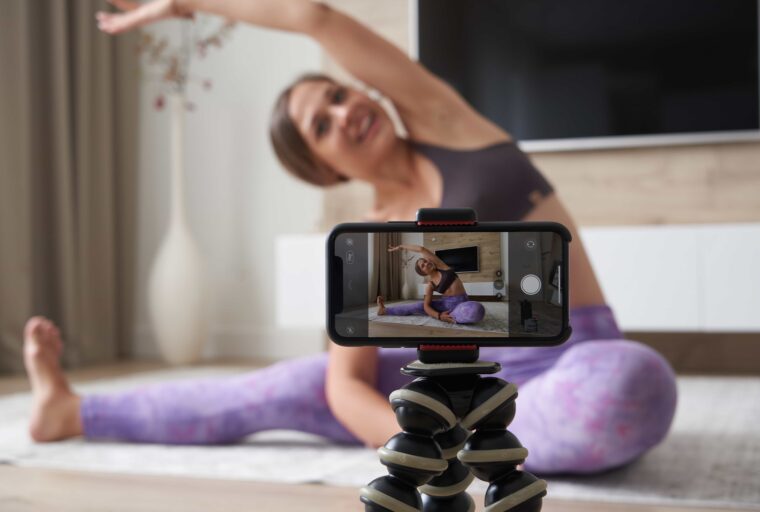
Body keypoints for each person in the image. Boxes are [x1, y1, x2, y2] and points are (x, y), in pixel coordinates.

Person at [22, 0, 677, 475]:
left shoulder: (450, 127)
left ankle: (481, 440)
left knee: (634, 382)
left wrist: (187, 2)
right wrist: (407, 440)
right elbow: (345, 387)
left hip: (568, 360)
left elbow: (317, 18)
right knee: (282, 386)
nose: (345, 110)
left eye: (338, 93)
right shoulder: (370, 243)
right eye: (322, 124)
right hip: (440, 389)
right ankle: (70, 411)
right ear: (324, 167)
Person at [376, 244, 486, 325]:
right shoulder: (431, 284)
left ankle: (457, 315)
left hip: (461, 303)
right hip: (444, 305)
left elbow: (421, 249)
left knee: (477, 310)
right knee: (418, 306)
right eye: (423, 265)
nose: (426, 263)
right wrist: (439, 316)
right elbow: (426, 306)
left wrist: (401, 247)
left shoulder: (442, 267)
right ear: (423, 273)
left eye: (425, 261)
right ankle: (384, 310)